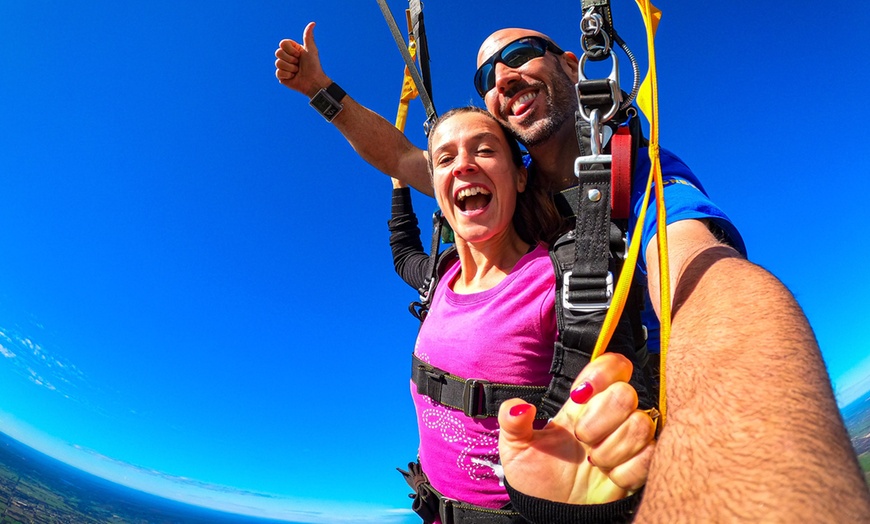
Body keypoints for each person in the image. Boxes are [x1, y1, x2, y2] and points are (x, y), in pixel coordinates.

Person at [275, 24, 870, 521]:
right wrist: (321, 89)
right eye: (486, 78)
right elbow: (404, 157)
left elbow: (706, 283)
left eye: (518, 55)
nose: (502, 78)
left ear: (569, 61)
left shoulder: (637, 177)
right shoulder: (502, 175)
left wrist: (752, 474)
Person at [392, 106, 654, 523]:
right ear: (438, 186)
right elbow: (404, 253)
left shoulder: (559, 285)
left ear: (519, 176)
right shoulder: (441, 276)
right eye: (445, 159)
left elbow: (619, 423)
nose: (463, 165)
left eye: (484, 150)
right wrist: (399, 188)